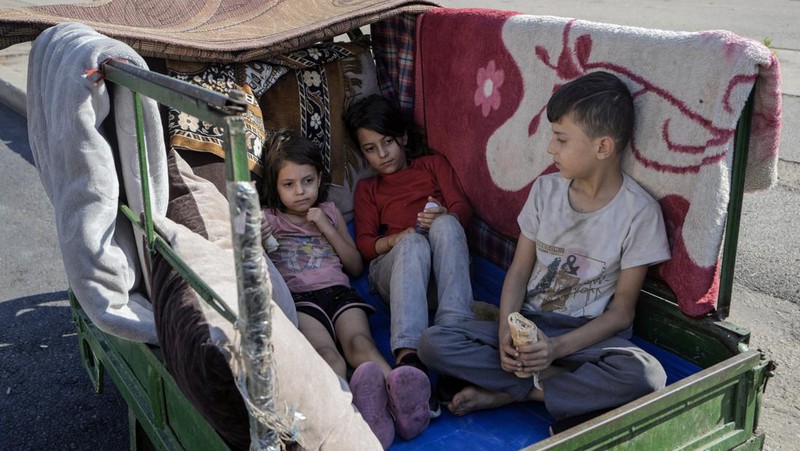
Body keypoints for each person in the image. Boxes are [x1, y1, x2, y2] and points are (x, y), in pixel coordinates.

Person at [417, 71, 672, 433]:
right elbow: (519, 271)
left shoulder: (639, 213)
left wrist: (555, 348)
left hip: (587, 337)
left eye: (561, 139)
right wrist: (507, 326)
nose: (551, 149)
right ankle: (556, 387)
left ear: (602, 147)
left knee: (646, 374)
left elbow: (620, 313)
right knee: (433, 343)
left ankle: (515, 392)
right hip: (530, 326)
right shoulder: (545, 191)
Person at [261, 130, 432, 448]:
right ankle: (351, 420)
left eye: (308, 181)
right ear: (274, 186)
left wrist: (326, 227)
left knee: (361, 347)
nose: (301, 192)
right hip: (301, 301)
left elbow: (354, 266)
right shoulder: (268, 219)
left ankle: (401, 401)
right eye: (289, 184)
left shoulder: (328, 212)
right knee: (329, 356)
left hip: (340, 293)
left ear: (319, 178)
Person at [345, 94, 477, 425]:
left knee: (447, 224)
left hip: (441, 276)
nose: (382, 154)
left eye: (387, 142)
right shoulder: (368, 190)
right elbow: (364, 245)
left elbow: (463, 208)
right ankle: (410, 361)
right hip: (394, 273)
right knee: (413, 246)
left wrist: (445, 213)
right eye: (370, 148)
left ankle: (451, 347)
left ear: (402, 137)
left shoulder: (433, 165)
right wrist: (398, 239)